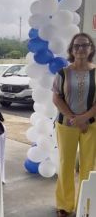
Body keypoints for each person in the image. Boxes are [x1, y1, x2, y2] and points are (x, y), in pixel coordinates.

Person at [52, 33, 96, 217]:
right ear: (71, 50)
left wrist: (85, 118)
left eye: (85, 45)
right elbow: (56, 97)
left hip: (91, 125)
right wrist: (74, 118)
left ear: (91, 49)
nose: (81, 49)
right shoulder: (63, 72)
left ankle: (86, 204)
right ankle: (65, 204)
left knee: (89, 165)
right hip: (65, 125)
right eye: (77, 46)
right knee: (65, 164)